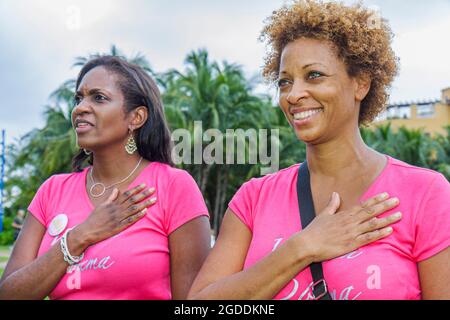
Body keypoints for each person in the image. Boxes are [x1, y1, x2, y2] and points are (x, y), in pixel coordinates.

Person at [188, 0, 450, 300]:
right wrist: (302, 248)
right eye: (285, 82)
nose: (294, 94)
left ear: (361, 83)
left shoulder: (426, 193)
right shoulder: (253, 199)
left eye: (314, 75)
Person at [0, 56, 211, 300]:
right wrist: (79, 237)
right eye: (79, 98)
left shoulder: (173, 187)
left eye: (98, 98)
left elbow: (192, 302)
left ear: (136, 118)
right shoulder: (52, 190)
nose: (80, 107)